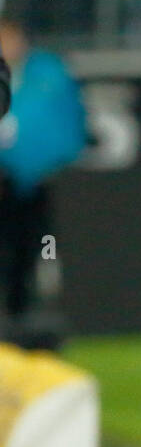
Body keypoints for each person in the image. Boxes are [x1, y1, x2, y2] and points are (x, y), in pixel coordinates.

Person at [0, 20, 87, 338]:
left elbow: (60, 124)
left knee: (40, 249)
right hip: (6, 183)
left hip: (44, 183)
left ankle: (37, 315)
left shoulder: (47, 74)